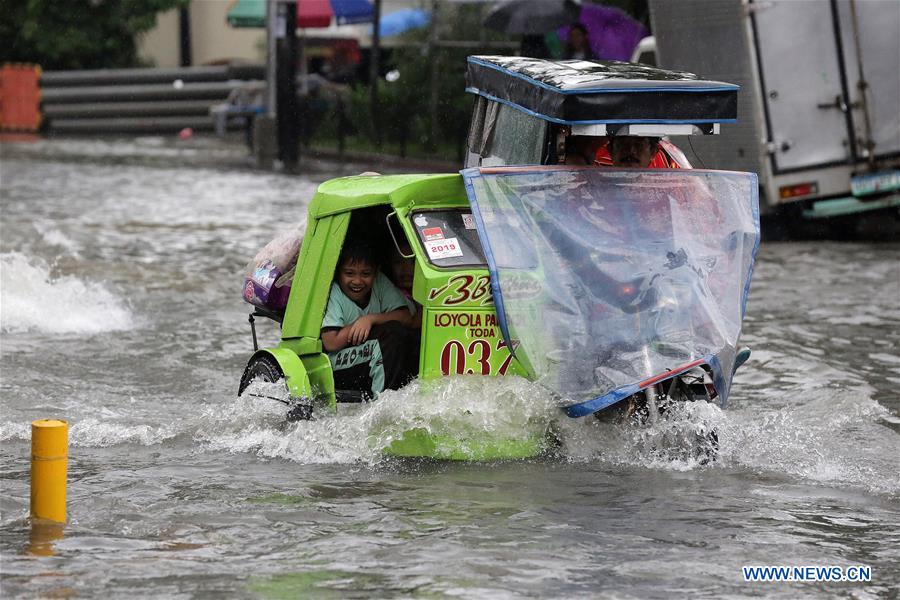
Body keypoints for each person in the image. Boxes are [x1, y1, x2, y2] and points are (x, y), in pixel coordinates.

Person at [321, 243, 418, 398]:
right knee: (390, 336)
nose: (357, 281)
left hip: (371, 358)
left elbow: (406, 317)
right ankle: (382, 402)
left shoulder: (379, 282)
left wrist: (370, 319)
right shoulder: (335, 292)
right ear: (339, 273)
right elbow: (331, 342)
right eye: (349, 273)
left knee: (407, 335)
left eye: (365, 274)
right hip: (336, 365)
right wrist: (356, 325)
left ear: (375, 273)